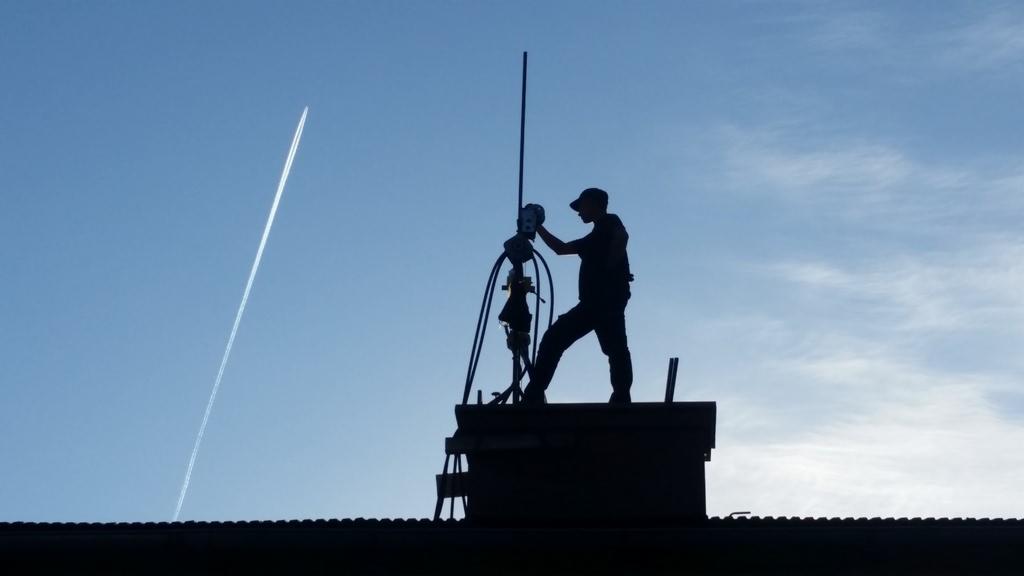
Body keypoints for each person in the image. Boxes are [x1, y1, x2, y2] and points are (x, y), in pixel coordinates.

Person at [524, 187, 633, 404]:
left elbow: (622, 236)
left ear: (593, 203)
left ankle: (534, 392)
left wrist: (612, 269)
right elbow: (561, 249)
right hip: (598, 303)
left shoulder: (610, 223)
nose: (578, 212)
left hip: (601, 302)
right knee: (614, 349)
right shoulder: (593, 238)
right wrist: (538, 227)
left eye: (581, 206)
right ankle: (621, 396)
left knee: (557, 339)